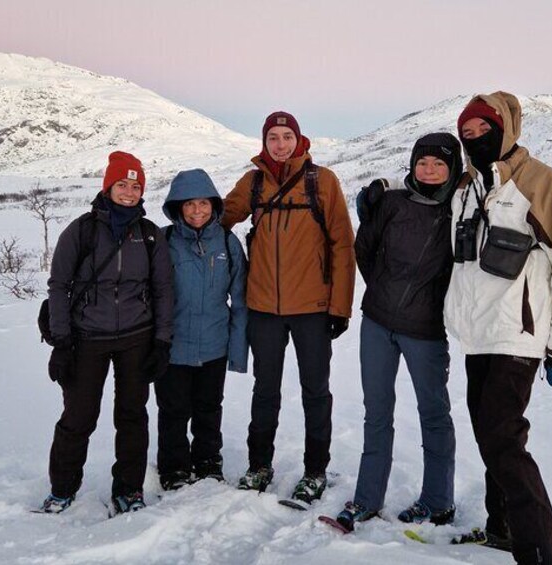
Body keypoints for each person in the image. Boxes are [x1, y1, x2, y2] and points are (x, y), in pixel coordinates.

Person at [446, 92, 552, 564]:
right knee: (492, 436)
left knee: (503, 440)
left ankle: (537, 554)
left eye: (483, 131)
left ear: (506, 128)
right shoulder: (468, 188)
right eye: (467, 134)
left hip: (520, 335)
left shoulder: (542, 183)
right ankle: (502, 529)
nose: (475, 140)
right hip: (478, 335)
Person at [221, 111, 355, 502]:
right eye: (273, 138)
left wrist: (340, 306)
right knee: (265, 390)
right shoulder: (254, 182)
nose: (280, 144)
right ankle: (259, 465)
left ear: (299, 139)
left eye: (286, 137)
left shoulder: (322, 181)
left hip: (312, 307)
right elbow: (220, 219)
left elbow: (342, 243)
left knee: (316, 390)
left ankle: (315, 471)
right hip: (263, 307)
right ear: (264, 143)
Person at [334, 133, 464, 532]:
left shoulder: (458, 211)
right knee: (377, 412)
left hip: (424, 331)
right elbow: (364, 247)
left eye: (438, 164)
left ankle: (438, 501)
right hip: (377, 322)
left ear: (452, 168)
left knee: (434, 414)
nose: (428, 170)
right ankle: (367, 499)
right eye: (422, 163)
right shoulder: (392, 202)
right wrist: (383, 290)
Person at [40, 151, 174, 515]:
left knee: (132, 415)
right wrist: (62, 342)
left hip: (137, 337)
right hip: (87, 339)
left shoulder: (149, 236)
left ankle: (129, 489)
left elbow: (163, 290)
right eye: (122, 184)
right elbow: (58, 286)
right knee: (78, 417)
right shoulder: (81, 230)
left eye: (136, 186)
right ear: (108, 186)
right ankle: (62, 489)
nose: (129, 192)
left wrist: (162, 342)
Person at [156, 168, 248, 490]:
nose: (197, 211)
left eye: (204, 204)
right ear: (177, 207)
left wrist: (237, 352)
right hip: (174, 347)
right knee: (173, 410)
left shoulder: (227, 242)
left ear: (214, 205)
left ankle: (208, 461)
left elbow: (240, 299)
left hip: (214, 345)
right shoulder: (164, 242)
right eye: (189, 204)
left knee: (209, 409)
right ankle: (174, 468)